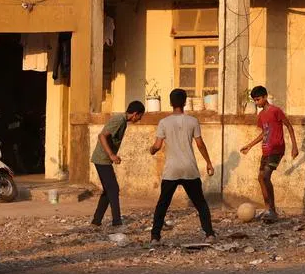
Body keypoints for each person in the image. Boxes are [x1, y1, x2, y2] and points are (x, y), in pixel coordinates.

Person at [148, 89, 216, 244]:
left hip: (171, 170)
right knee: (200, 203)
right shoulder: (192, 121)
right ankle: (209, 234)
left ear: (171, 103)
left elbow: (157, 146)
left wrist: (151, 149)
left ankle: (155, 237)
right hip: (189, 168)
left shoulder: (164, 122)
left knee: (163, 204)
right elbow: (200, 144)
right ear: (185, 102)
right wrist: (208, 162)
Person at [240, 86, 298, 222]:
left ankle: (272, 210)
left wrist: (294, 146)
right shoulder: (261, 115)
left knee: (266, 176)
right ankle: (267, 209)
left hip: (277, 149)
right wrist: (250, 145)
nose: (257, 102)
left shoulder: (276, 111)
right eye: (254, 100)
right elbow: (264, 133)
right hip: (266, 150)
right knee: (260, 178)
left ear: (265, 97)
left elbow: (289, 126)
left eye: (258, 99)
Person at [91, 100, 146, 228]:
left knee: (108, 190)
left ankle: (96, 221)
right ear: (135, 114)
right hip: (102, 159)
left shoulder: (123, 121)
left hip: (103, 159)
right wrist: (111, 155)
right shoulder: (119, 120)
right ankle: (117, 222)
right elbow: (102, 136)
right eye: (140, 116)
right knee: (114, 189)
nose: (140, 119)